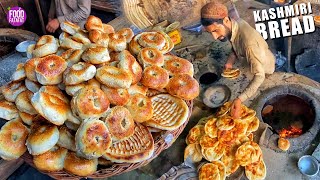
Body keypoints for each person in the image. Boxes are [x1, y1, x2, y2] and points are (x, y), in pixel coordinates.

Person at [201, 2, 275, 118]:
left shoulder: (249, 44)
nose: (214, 37)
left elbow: (260, 76)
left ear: (225, 21)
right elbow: (236, 44)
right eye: (210, 32)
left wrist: (240, 99)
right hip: (249, 59)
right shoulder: (234, 24)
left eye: (215, 30)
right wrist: (230, 61)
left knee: (258, 98)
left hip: (264, 69)